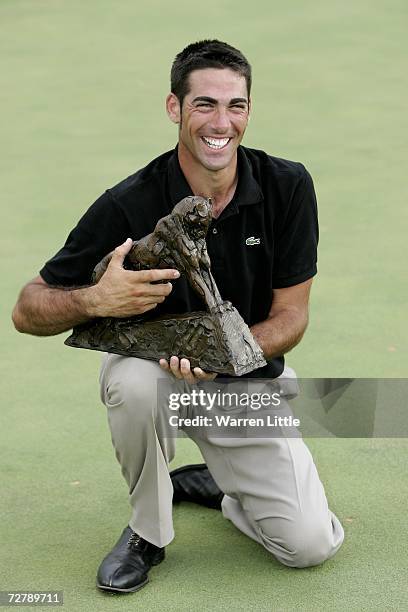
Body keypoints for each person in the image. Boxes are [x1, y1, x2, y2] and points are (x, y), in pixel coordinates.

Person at [12, 40, 344, 593]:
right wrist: (95, 300)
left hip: (243, 383)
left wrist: (222, 359)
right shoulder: (127, 203)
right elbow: (28, 307)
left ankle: (222, 485)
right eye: (205, 105)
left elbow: (292, 318)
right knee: (134, 383)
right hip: (157, 383)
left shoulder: (288, 186)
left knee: (309, 546)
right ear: (175, 108)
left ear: (248, 110)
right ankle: (149, 533)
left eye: (235, 106)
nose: (222, 122)